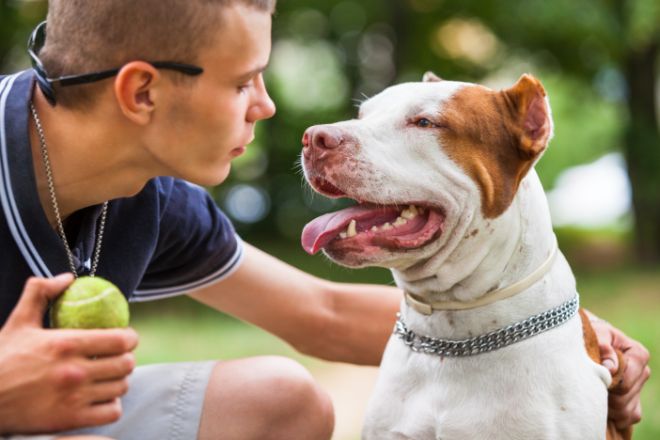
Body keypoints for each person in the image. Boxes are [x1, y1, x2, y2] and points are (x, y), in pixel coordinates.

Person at [0, 0, 650, 439]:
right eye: (243, 82)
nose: (268, 106)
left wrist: (565, 333)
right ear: (142, 92)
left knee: (279, 397)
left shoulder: (151, 198)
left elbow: (322, 314)